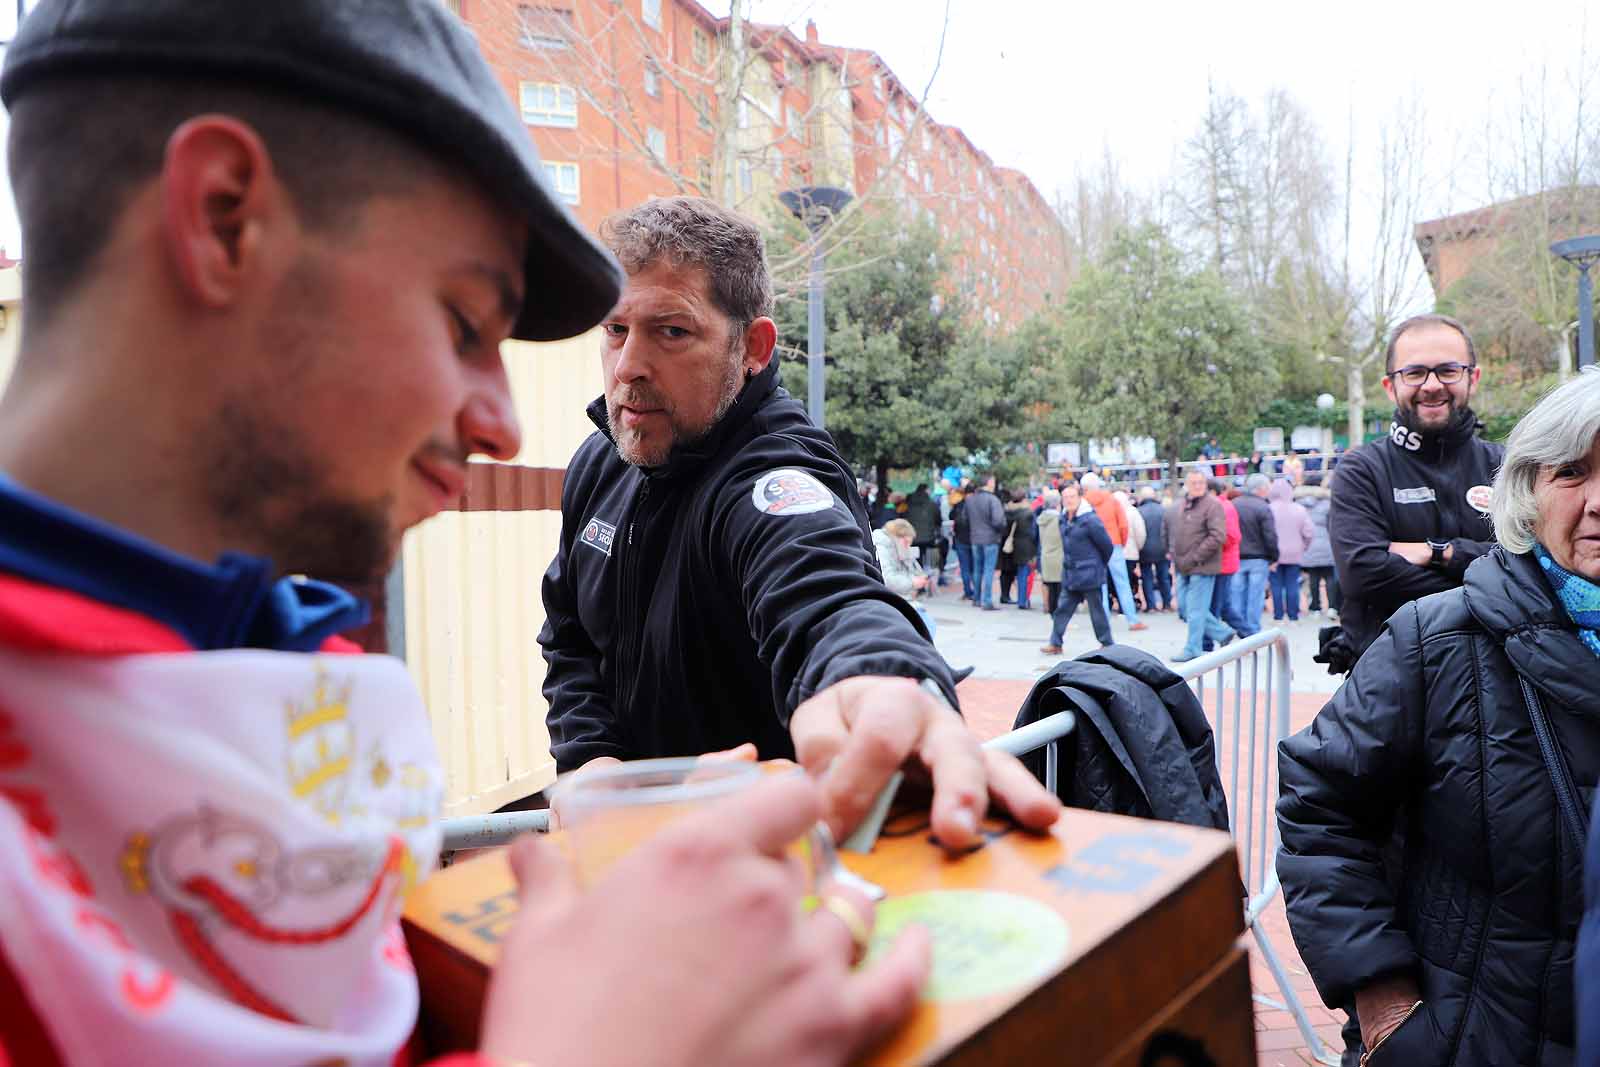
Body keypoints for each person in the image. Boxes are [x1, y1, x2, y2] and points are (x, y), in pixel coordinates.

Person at [0, 3, 937, 1064]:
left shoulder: (273, 658)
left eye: (668, 332)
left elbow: (821, 581)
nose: (498, 420)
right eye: (461, 321)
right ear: (222, 220)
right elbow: (568, 636)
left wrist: (876, 667)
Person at [540, 197, 1058, 845]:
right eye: (616, 330)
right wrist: (594, 763)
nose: (628, 366)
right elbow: (569, 637)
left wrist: (884, 682)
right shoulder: (600, 460)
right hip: (630, 859)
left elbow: (825, 596)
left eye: (671, 331)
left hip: (778, 869)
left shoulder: (776, 471)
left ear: (752, 347)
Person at [1280, 370, 1600, 1066]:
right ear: (1528, 493)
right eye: (1572, 471)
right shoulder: (1435, 639)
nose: (1598, 499)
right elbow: (1319, 805)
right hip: (1480, 1042)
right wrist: (1385, 1003)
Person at [1329, 314, 1504, 662]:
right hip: (1388, 679)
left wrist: (1439, 552)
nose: (1432, 384)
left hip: (1497, 679)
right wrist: (1491, 584)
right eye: (1414, 373)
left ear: (1473, 377)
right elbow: (1361, 573)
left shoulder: (1507, 467)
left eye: (1448, 370)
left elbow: (1536, 562)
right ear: (1390, 386)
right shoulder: (1361, 470)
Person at [1038, 481, 1115, 653]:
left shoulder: (1090, 520)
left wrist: (1097, 565)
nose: (1069, 500)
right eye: (1065, 497)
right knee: (1062, 610)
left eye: (1072, 496)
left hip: (1089, 574)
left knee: (1097, 612)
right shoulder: (1063, 518)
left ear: (1080, 497)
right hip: (1071, 574)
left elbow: (1107, 546)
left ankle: (1108, 644)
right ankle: (1055, 643)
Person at [1170, 469, 1235, 662]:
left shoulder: (1213, 505)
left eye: (1201, 482)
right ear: (1187, 485)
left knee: (1196, 609)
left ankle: (1193, 647)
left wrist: (1195, 557)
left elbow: (1218, 536)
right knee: (1184, 607)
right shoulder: (1184, 505)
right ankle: (1222, 632)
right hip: (1183, 565)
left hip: (1202, 565)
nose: (1197, 486)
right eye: (1194, 482)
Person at [1082, 472, 1148, 631]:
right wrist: (1121, 542)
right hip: (1114, 544)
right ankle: (1132, 619)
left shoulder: (1084, 504)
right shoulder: (1111, 500)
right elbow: (1123, 524)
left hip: (1094, 547)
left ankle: (1103, 621)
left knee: (1100, 585)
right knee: (1122, 583)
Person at [1232, 474, 1279, 636]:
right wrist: (1274, 556)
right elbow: (1270, 536)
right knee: (1255, 596)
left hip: (1237, 557)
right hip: (1258, 558)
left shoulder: (1234, 505)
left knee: (1237, 594)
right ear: (1261, 489)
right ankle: (1252, 630)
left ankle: (1238, 627)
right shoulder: (1263, 507)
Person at [1268, 478, 1314, 622]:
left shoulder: (1268, 509)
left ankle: (1278, 616)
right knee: (1292, 584)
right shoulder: (1299, 509)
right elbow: (1309, 532)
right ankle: (1293, 616)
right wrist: (1303, 546)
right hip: (1295, 553)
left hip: (1274, 554)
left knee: (1275, 585)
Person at [1301, 473, 1341, 617]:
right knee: (1329, 577)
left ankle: (1315, 608)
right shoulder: (1328, 502)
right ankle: (1332, 607)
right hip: (1327, 544)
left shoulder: (1301, 503)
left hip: (1309, 545)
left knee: (1313, 578)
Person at [966, 474, 1008, 610]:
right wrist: (1000, 530)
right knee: (988, 570)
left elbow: (964, 519)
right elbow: (998, 521)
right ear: (989, 482)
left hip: (975, 537)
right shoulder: (992, 499)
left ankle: (977, 598)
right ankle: (987, 600)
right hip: (990, 538)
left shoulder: (970, 500)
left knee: (977, 569)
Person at [1136, 485, 1172, 613]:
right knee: (1164, 577)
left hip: (1144, 549)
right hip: (1162, 548)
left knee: (1147, 577)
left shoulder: (1139, 511)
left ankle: (1151, 605)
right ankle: (1167, 604)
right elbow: (1169, 530)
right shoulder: (1163, 510)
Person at [1002, 488, 1038, 610]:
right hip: (1026, 546)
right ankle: (1023, 600)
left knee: (1017, 573)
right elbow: (1033, 532)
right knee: (1024, 574)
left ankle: (1017, 598)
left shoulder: (1007, 512)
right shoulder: (1028, 513)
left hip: (1013, 546)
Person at [1115, 489, 1147, 612]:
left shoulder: (1112, 513)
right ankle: (1128, 605)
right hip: (1130, 553)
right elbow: (1140, 533)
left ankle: (1121, 605)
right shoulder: (1133, 512)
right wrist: (1138, 548)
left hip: (1115, 552)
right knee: (1128, 580)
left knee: (1118, 581)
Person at [903, 483, 941, 586]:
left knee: (917, 559)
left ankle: (918, 581)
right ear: (926, 490)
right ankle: (926, 581)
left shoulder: (909, 503)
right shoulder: (931, 503)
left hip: (913, 537)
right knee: (927, 559)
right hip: (928, 537)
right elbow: (938, 519)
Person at [1037, 489, 1065, 615]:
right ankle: (1058, 614)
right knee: (1059, 587)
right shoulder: (1060, 520)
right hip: (1059, 556)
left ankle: (1049, 608)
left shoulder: (1040, 519)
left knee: (1048, 585)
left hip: (1045, 555)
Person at [950, 484, 976, 601]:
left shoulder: (958, 505)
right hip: (974, 539)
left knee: (964, 567)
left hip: (960, 539)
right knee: (975, 567)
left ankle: (967, 591)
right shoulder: (976, 505)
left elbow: (951, 516)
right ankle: (977, 592)